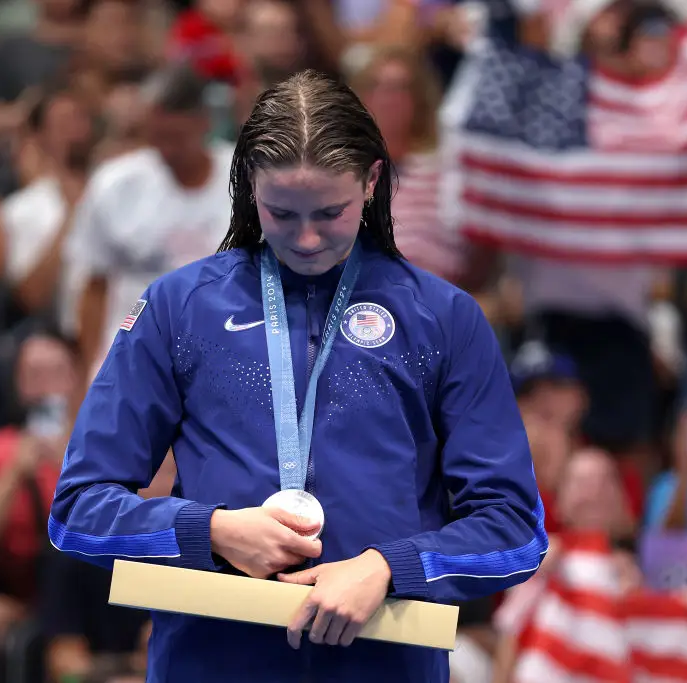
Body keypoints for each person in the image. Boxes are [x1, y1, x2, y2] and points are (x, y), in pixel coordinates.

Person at [49, 69, 546, 683]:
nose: (307, 238)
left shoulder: (442, 319)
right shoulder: (181, 308)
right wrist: (211, 530)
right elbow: (78, 510)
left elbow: (514, 530)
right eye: (281, 212)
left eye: (330, 212)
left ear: (371, 182)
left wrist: (391, 568)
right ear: (247, 185)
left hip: (384, 662)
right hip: (213, 661)